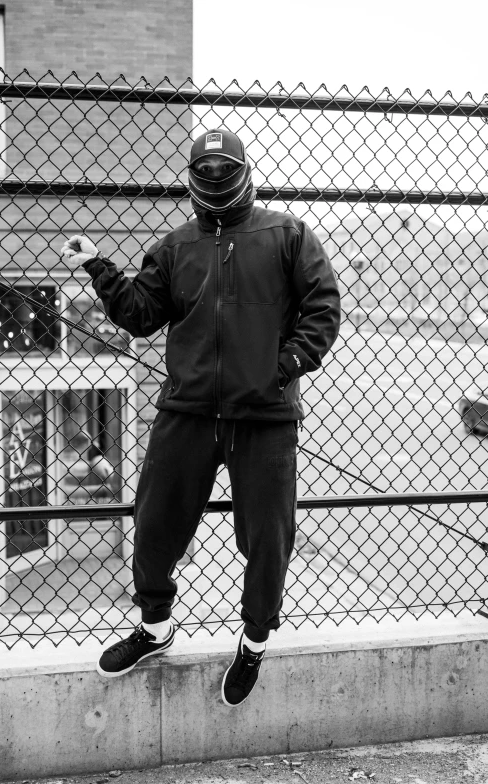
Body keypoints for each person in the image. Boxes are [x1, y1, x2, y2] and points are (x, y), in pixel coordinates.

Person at [60, 127, 341, 707]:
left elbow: (322, 306)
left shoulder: (288, 234)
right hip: (185, 410)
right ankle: (156, 629)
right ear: (192, 179)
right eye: (204, 175)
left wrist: (286, 364)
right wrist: (100, 270)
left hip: (265, 416)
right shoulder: (174, 247)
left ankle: (255, 640)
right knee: (154, 521)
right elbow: (141, 315)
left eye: (224, 173)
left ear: (243, 173)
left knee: (268, 537)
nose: (214, 183)